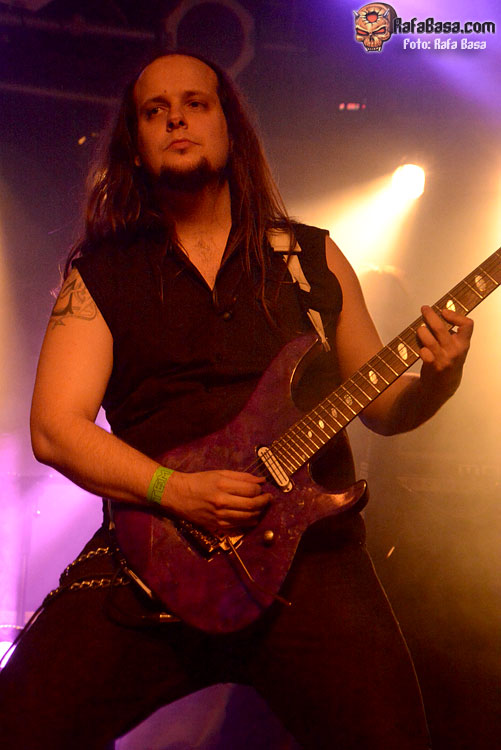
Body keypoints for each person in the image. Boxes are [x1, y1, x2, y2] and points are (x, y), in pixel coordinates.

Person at [0, 52, 473, 749]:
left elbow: (382, 407)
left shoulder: (311, 259)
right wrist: (175, 491)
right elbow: (54, 430)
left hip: (313, 561)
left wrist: (437, 378)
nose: (176, 119)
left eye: (195, 103)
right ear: (136, 143)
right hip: (155, 555)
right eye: (155, 111)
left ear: (229, 126)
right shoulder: (101, 275)